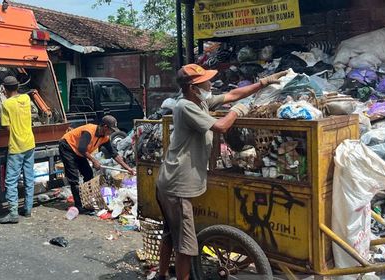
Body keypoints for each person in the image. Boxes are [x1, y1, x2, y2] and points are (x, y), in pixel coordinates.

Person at [156, 64, 288, 280]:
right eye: (206, 81)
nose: (210, 84)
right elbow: (221, 126)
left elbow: (233, 94)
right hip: (177, 185)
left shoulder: (199, 102)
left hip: (170, 181)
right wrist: (237, 111)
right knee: (186, 245)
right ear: (192, 87)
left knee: (172, 234)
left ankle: (161, 276)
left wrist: (263, 82)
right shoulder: (186, 107)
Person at [59, 115, 135, 213]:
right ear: (105, 127)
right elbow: (82, 148)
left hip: (79, 152)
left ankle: (86, 200)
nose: (111, 133)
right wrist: (94, 160)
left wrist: (128, 168)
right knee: (74, 178)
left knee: (88, 174)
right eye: (111, 130)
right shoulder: (89, 131)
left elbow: (114, 154)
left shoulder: (105, 138)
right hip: (68, 147)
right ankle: (79, 206)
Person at [0, 76, 35, 224]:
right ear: (17, 86)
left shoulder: (7, 104)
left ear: (5, 89)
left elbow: (6, 126)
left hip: (17, 146)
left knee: (11, 181)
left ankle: (13, 214)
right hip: (30, 143)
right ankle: (27, 209)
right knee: (29, 177)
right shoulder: (26, 98)